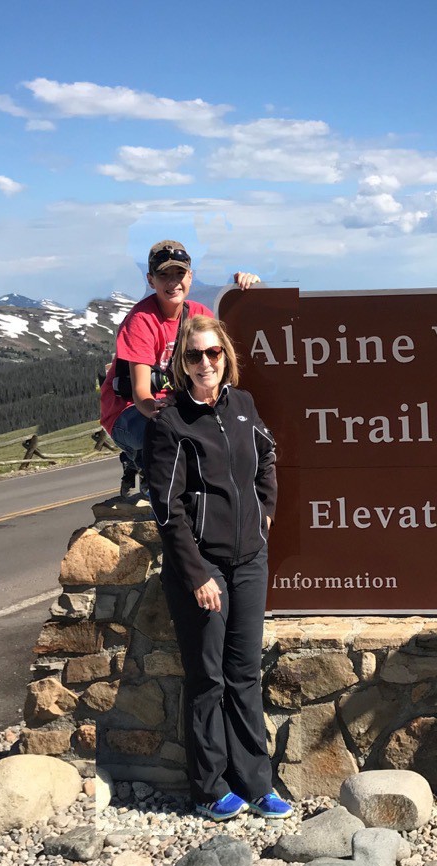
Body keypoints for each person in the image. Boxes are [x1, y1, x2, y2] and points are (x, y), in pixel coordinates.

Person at [144, 314, 289, 821]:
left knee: (245, 674)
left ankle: (257, 782)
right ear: (181, 365)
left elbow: (268, 457)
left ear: (226, 356)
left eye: (213, 353)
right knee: (208, 678)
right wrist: (196, 573)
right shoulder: (170, 424)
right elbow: (168, 508)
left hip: (250, 560)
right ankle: (208, 788)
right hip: (203, 568)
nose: (205, 363)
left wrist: (266, 511)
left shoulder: (243, 406)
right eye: (194, 355)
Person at [99, 240, 260, 497]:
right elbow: (141, 393)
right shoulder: (141, 321)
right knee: (169, 442)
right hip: (129, 413)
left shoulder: (200, 314)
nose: (173, 282)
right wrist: (164, 420)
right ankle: (151, 479)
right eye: (164, 275)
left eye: (179, 273)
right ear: (151, 280)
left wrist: (249, 291)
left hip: (176, 404)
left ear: (190, 276)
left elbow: (223, 354)